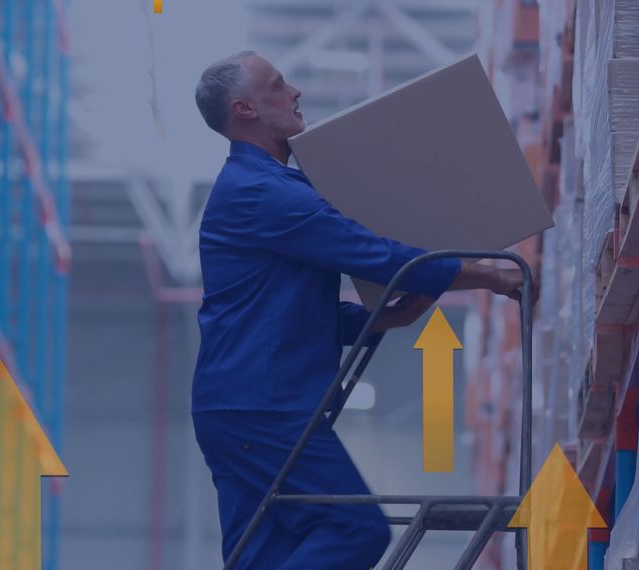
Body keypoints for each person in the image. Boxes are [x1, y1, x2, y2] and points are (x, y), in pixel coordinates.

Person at [191, 50, 535, 569]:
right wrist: (487, 274)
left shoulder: (268, 189)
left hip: (242, 405)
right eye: (279, 86)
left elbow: (273, 312)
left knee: (259, 556)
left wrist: (384, 317)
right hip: (260, 407)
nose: (296, 92)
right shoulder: (263, 193)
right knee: (355, 528)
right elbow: (375, 256)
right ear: (245, 110)